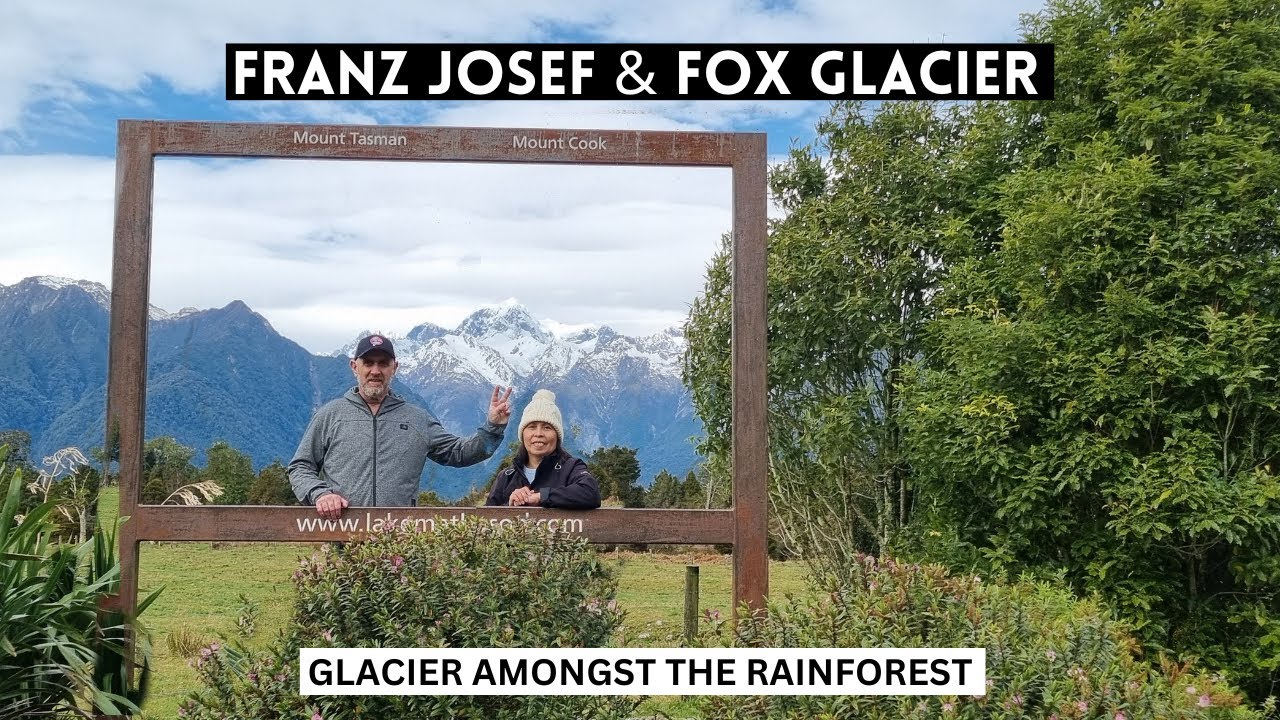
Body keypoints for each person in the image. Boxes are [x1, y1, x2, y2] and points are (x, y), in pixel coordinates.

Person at [289, 333, 512, 518]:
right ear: (354, 367)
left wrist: (493, 426)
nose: (375, 371)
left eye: (383, 364)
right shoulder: (330, 415)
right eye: (368, 363)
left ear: (394, 367)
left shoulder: (416, 419)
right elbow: (300, 467)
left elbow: (460, 453)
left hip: (398, 544)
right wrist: (320, 494)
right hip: (339, 541)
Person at [485, 389, 601, 509]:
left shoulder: (571, 468)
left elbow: (590, 492)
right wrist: (510, 505)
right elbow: (486, 520)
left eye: (547, 427)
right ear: (522, 434)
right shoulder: (507, 476)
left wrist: (542, 496)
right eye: (532, 427)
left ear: (557, 435)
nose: (538, 433)